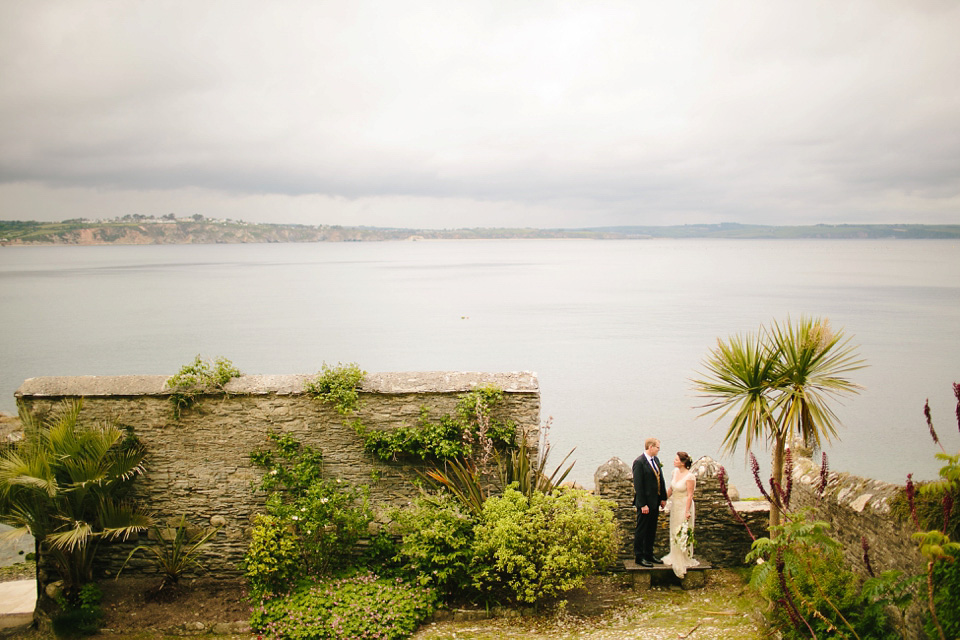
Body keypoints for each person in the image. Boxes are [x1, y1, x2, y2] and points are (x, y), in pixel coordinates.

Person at [661, 451, 699, 578]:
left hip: (684, 506)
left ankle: (684, 557)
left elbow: (690, 495)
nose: (674, 461)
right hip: (675, 505)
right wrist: (663, 500)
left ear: (683, 463)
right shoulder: (674, 472)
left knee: (683, 530)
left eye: (676, 459)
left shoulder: (690, 477)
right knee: (674, 530)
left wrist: (687, 511)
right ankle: (674, 554)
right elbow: (671, 489)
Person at [632, 437, 667, 567]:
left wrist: (663, 498)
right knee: (641, 530)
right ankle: (639, 556)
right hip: (645, 504)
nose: (659, 450)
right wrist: (642, 504)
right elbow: (638, 485)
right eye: (657, 447)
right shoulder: (639, 462)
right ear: (650, 447)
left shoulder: (656, 460)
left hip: (655, 501)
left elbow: (660, 479)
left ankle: (649, 554)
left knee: (652, 529)